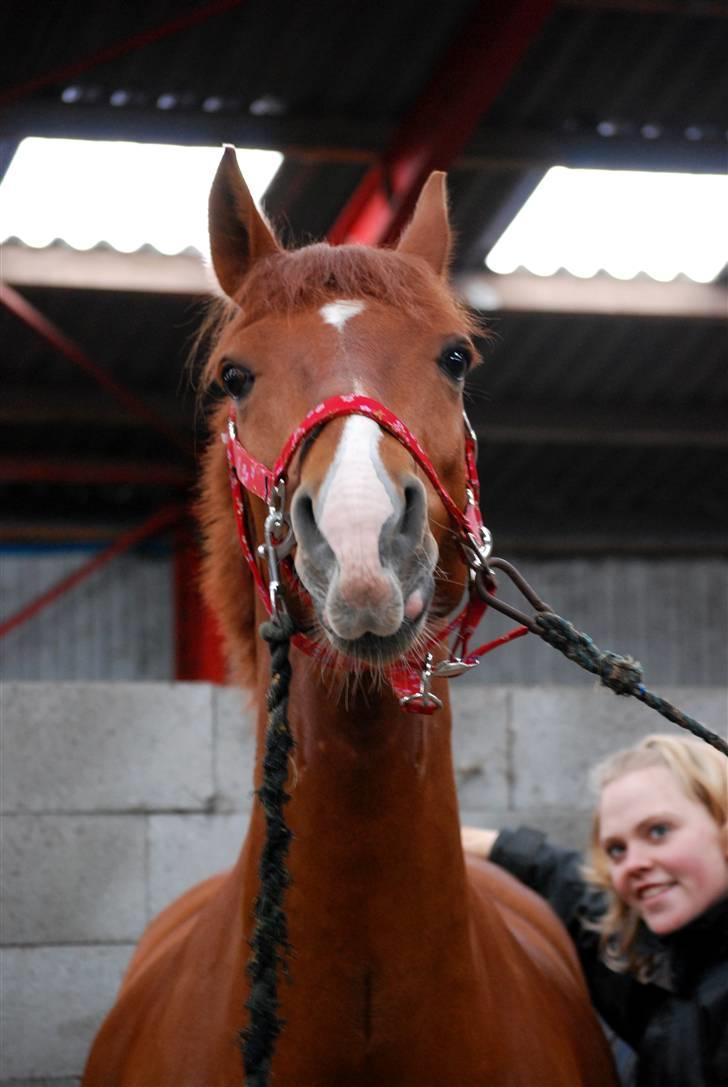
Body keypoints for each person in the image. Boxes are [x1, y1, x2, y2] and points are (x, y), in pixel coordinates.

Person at [462, 733, 728, 1087]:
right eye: (616, 850)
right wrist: (496, 847)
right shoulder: (678, 982)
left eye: (658, 831)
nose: (633, 863)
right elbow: (586, 914)